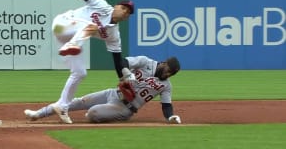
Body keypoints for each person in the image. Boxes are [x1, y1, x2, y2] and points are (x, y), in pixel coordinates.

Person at [28, 0, 134, 124]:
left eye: (128, 13)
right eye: (123, 8)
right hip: (63, 24)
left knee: (80, 73)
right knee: (92, 26)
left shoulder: (114, 35)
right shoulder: (102, 5)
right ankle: (72, 45)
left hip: (69, 39)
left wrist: (122, 77)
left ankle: (62, 106)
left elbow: (117, 58)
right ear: (116, 6)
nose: (125, 12)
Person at [25, 55, 182, 124]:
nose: (168, 74)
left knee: (93, 113)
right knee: (78, 101)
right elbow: (123, 61)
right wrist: (127, 73)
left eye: (171, 74)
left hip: (124, 108)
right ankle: (38, 114)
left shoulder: (166, 85)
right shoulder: (145, 62)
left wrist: (171, 117)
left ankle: (104, 114)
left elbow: (166, 105)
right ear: (164, 63)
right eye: (168, 70)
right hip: (113, 94)